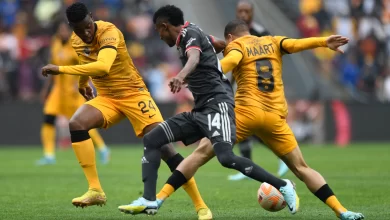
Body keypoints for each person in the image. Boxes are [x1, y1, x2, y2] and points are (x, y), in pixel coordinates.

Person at [153, 20, 365, 220]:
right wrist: (323, 41)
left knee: (200, 154)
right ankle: (341, 211)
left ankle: (159, 198)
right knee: (302, 168)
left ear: (230, 37)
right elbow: (297, 43)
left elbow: (229, 62)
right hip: (275, 118)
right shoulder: (272, 41)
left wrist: (197, 73)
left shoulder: (236, 46)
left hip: (245, 114)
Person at [118, 5, 299, 217]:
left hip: (218, 105)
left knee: (226, 158)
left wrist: (182, 75)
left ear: (164, 26)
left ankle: (282, 185)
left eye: (158, 30)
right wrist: (223, 54)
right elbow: (220, 44)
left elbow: (194, 57)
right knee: (152, 139)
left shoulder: (190, 34)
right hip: (200, 109)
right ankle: (148, 200)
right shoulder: (196, 34)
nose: (158, 36)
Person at [41, 3, 212, 220]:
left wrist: (61, 69)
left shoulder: (109, 32)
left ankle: (201, 206)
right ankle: (95, 190)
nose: (85, 33)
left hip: (134, 95)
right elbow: (86, 60)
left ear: (92, 18)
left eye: (87, 27)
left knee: (165, 149)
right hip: (107, 97)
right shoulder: (76, 40)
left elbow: (103, 66)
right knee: (76, 123)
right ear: (71, 27)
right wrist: (82, 83)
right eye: (78, 29)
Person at [228, 0, 289, 181]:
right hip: (242, 87)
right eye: (240, 11)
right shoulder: (234, 34)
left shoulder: (262, 33)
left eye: (247, 11)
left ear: (252, 13)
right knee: (242, 126)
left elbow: (273, 59)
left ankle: (282, 155)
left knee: (257, 128)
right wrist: (228, 85)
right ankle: (247, 168)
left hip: (260, 89)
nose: (243, 15)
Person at [37, 21, 110, 166]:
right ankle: (49, 155)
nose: (63, 32)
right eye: (61, 30)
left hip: (74, 91)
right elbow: (52, 67)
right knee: (48, 118)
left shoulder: (76, 44)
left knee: (82, 123)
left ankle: (103, 149)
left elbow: (85, 65)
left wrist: (84, 84)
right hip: (58, 91)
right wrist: (46, 89)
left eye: (65, 30)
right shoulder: (55, 43)